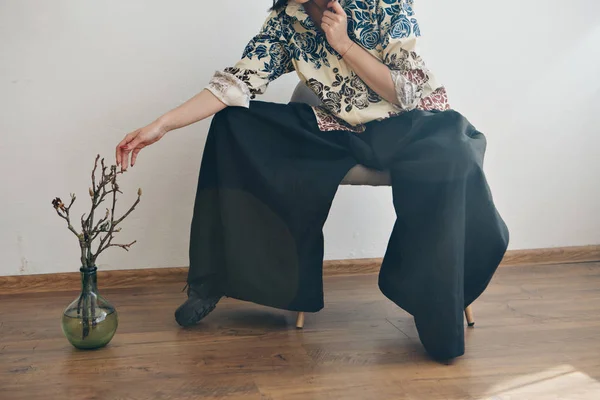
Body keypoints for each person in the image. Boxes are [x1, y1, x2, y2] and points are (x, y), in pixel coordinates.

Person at [115, 0, 509, 361]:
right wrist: (161, 125)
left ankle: (434, 305)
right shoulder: (287, 20)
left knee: (454, 159)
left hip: (414, 126)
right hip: (340, 128)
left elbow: (408, 92)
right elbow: (234, 84)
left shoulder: (384, 3)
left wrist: (345, 45)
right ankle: (215, 280)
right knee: (234, 123)